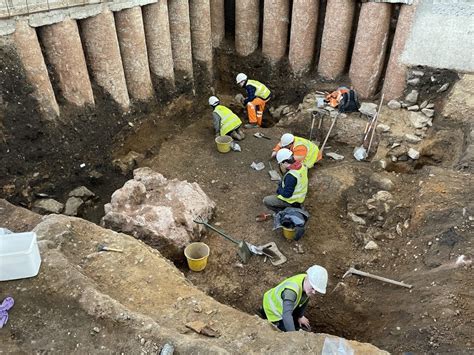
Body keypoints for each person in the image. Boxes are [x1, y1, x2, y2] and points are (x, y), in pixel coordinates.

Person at [261, 265, 328, 332]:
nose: (314, 292)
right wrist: (293, 335)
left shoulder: (305, 282)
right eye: (312, 288)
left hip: (285, 306)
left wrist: (300, 316)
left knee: (300, 326)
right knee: (284, 331)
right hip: (272, 310)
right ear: (308, 279)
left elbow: (304, 300)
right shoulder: (291, 292)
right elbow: (286, 315)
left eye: (316, 290)